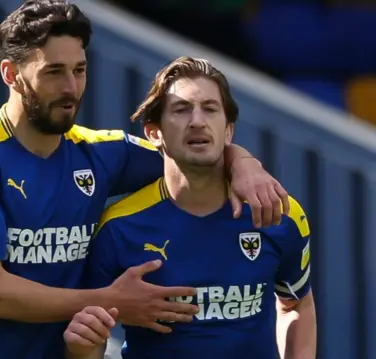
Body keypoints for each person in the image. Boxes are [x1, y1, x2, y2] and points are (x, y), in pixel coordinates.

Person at [0, 1, 289, 358]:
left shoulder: (102, 152)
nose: (70, 87)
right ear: (10, 74)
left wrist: (243, 161)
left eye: (79, 70)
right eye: (53, 72)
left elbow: (191, 153)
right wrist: (110, 301)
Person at [64, 57, 316, 359]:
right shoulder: (118, 228)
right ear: (154, 132)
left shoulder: (277, 214)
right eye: (182, 110)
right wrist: (79, 350)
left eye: (210, 109)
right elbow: (91, 339)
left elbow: (297, 304)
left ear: (228, 132)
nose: (198, 121)